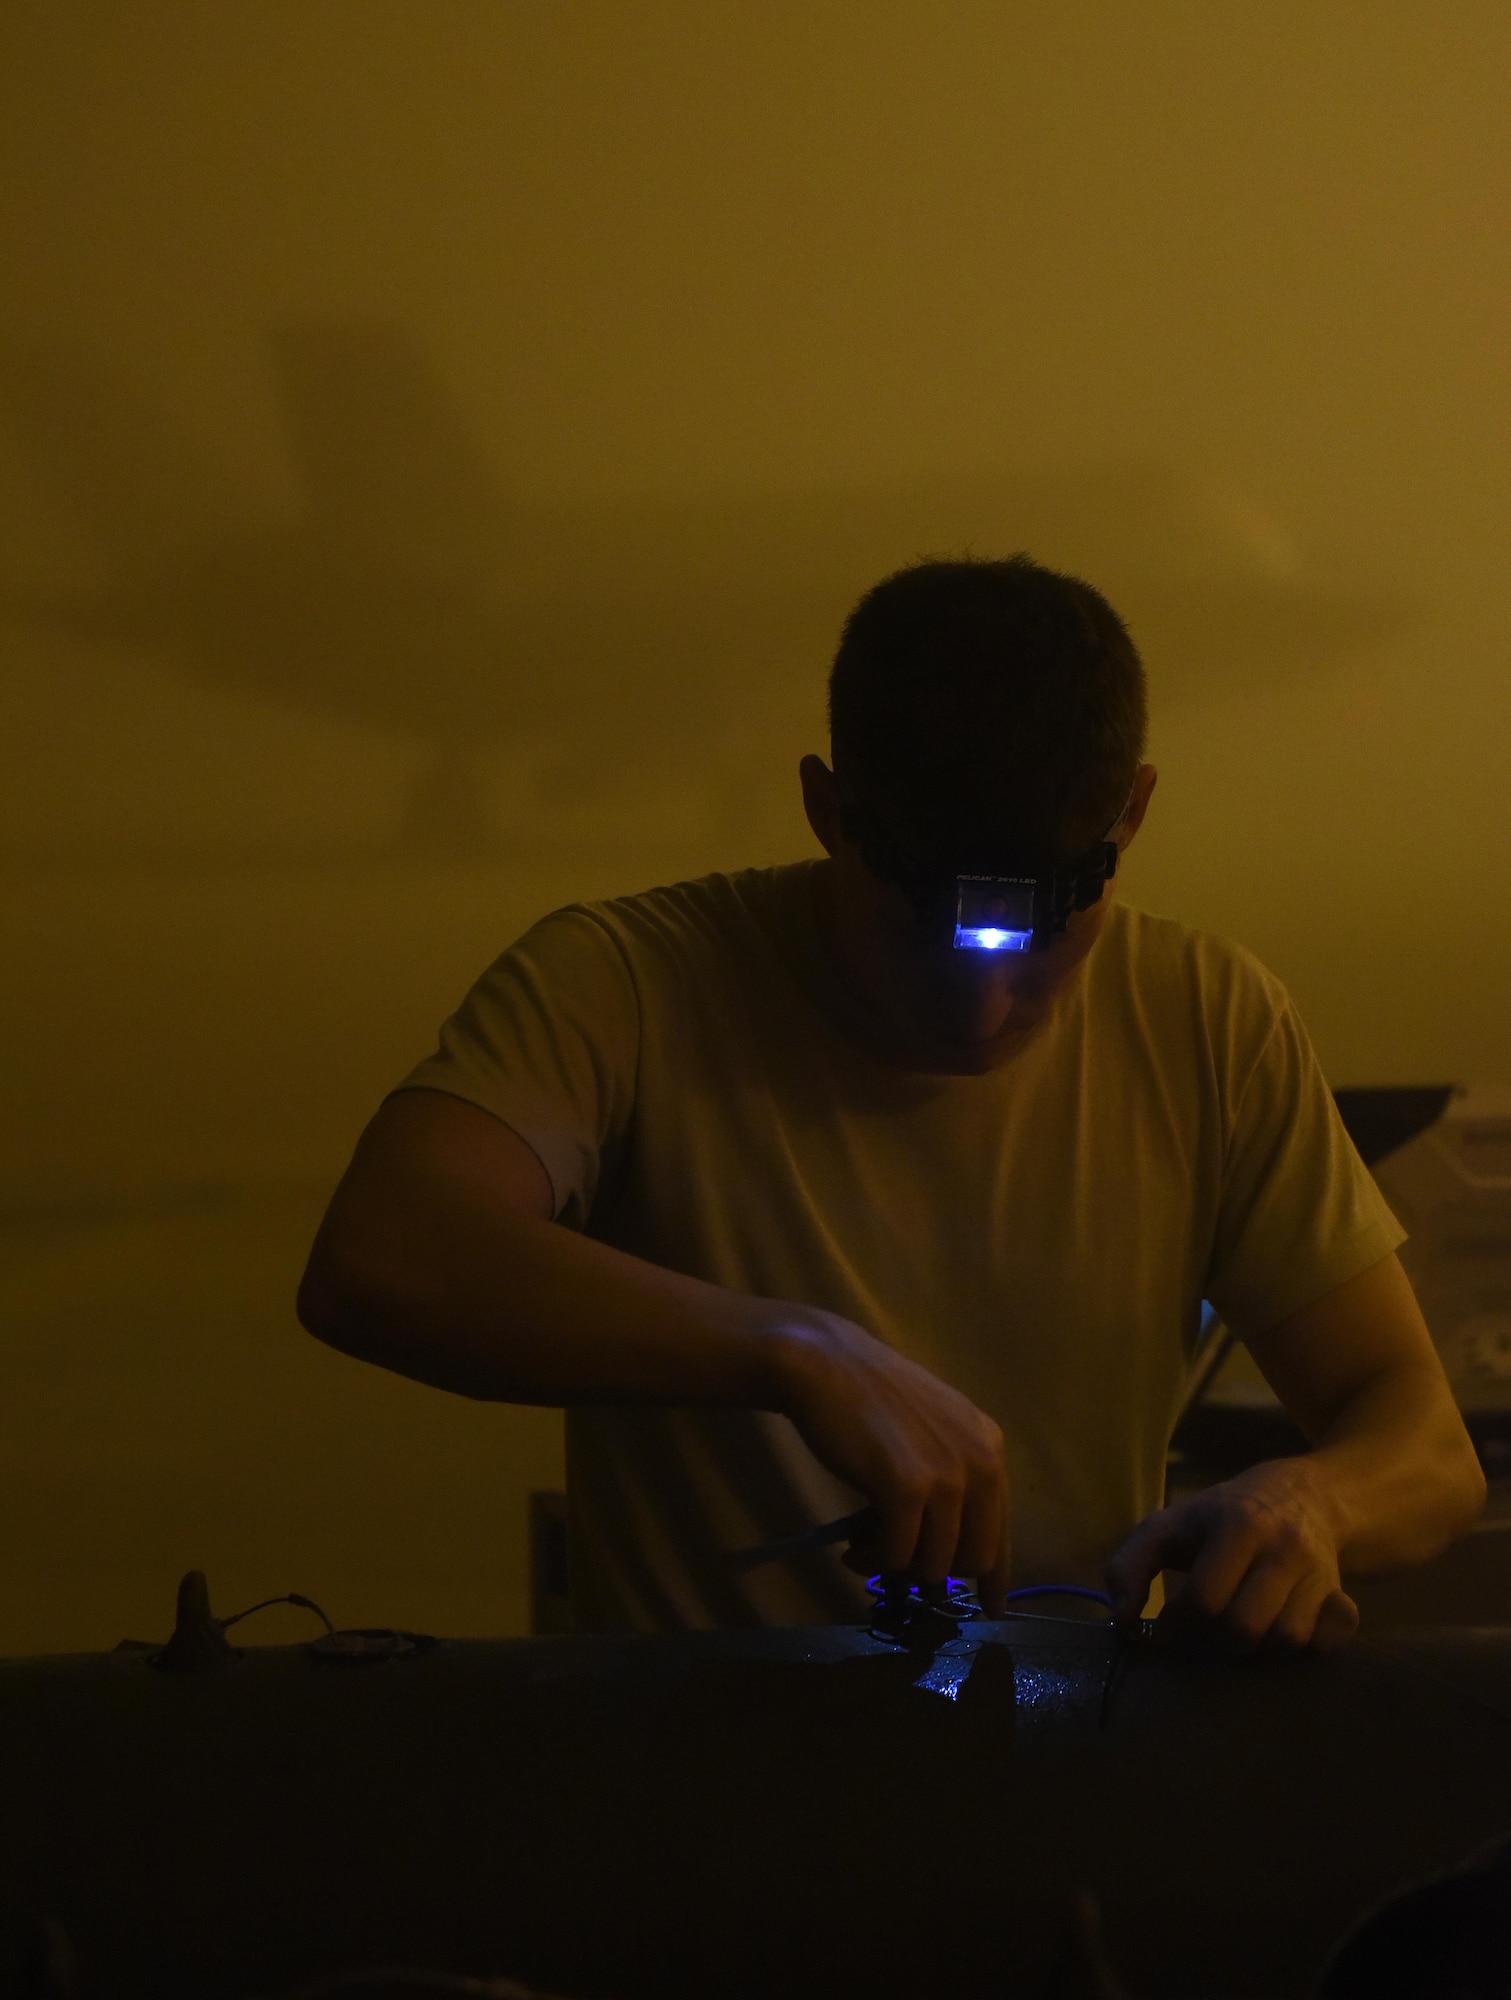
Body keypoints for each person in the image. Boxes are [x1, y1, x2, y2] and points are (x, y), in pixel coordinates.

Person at [297, 556, 1484, 1646]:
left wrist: (1310, 1501)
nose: (980, 1015)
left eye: (1042, 945)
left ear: (1129, 812)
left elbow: (1423, 1442)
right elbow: (383, 1254)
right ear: (825, 808)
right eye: (924, 941)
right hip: (699, 1813)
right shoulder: (626, 982)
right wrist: (789, 1348)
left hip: (1056, 1784)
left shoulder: (1211, 1019)